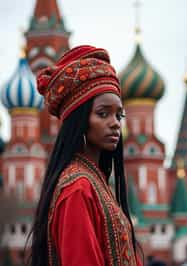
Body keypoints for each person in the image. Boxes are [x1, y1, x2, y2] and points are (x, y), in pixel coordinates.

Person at [28, 45, 143, 266]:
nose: (115, 124)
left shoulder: (95, 181)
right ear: (79, 121)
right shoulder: (78, 188)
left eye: (119, 115)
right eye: (103, 113)